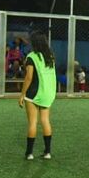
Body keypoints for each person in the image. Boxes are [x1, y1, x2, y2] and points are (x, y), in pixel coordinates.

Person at [18, 31, 56, 160]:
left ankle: (29, 153)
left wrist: (22, 94)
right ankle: (48, 152)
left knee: (32, 123)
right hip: (48, 93)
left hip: (34, 93)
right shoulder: (50, 56)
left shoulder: (31, 57)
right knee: (45, 120)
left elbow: (29, 77)